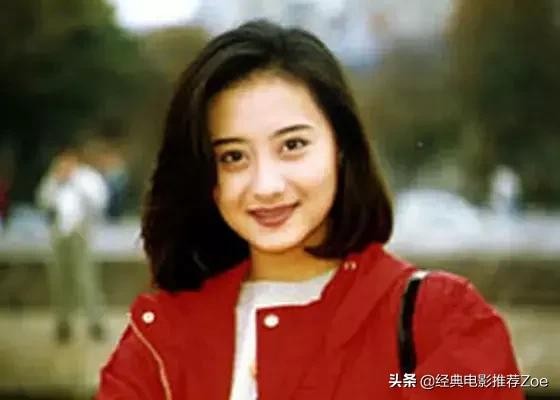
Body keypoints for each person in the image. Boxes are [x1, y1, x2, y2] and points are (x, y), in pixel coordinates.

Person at [97, 20, 523, 399]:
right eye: (233, 157)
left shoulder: (441, 320)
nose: (266, 186)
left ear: (341, 146)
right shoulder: (160, 336)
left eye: (293, 145)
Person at [36, 146, 108, 343]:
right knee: (59, 280)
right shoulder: (52, 179)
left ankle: (95, 322)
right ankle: (63, 323)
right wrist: (57, 183)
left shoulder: (87, 178)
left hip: (80, 232)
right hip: (59, 233)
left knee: (86, 279)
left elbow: (99, 202)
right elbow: (43, 201)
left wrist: (74, 184)